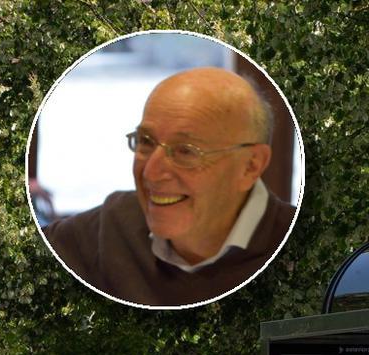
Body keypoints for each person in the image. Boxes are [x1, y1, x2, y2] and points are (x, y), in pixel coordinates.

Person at [42, 67, 295, 307]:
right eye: (145, 142)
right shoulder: (105, 231)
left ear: (250, 166)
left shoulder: (303, 248)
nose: (151, 172)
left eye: (186, 151)